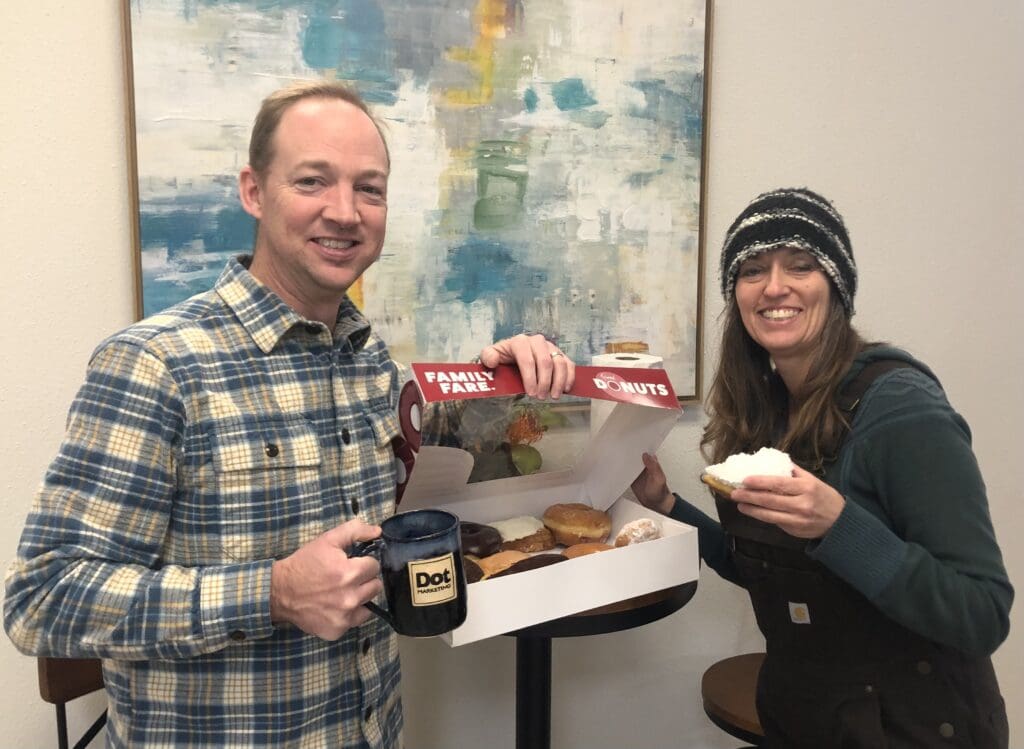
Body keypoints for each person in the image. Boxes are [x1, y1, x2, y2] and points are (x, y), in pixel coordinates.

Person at [4, 81, 574, 748]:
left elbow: (422, 498)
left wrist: (493, 380)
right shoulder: (156, 364)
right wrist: (271, 592)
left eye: (370, 189)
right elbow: (42, 596)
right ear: (254, 190)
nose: (345, 211)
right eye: (312, 181)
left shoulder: (369, 361)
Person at [631, 187, 1012, 747]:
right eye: (753, 269)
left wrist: (841, 526)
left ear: (836, 286)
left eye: (801, 265)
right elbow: (763, 568)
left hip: (915, 727)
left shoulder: (903, 410)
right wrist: (668, 506)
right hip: (805, 716)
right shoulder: (763, 411)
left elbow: (983, 613)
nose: (775, 286)